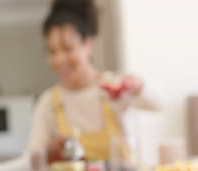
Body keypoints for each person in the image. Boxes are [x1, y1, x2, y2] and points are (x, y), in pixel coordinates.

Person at [28, 0, 160, 162]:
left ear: (88, 45)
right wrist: (49, 153)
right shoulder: (48, 102)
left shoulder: (112, 87)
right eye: (52, 51)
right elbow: (33, 158)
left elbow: (159, 104)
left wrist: (138, 87)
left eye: (68, 48)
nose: (59, 59)